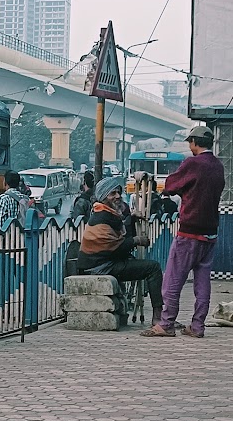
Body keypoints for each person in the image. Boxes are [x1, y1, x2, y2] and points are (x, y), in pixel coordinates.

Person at [143, 126, 225, 340]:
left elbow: (171, 185)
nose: (189, 146)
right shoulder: (217, 166)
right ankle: (197, 326)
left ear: (194, 142)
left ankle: (166, 323)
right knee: (202, 283)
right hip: (210, 233)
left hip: (189, 232)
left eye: (190, 142)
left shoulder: (193, 163)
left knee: (173, 280)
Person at [76, 174, 163, 321]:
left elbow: (120, 236)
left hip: (103, 263)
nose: (117, 196)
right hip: (101, 267)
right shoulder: (102, 216)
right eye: (112, 193)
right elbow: (114, 247)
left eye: (118, 192)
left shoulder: (107, 213)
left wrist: (132, 219)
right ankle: (158, 317)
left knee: (147, 266)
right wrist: (136, 240)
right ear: (103, 197)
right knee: (153, 268)